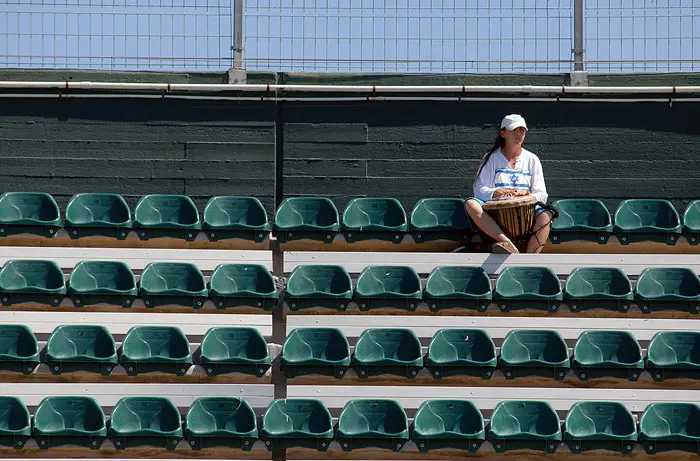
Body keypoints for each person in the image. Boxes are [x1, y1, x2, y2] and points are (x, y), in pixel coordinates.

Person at [466, 114, 553, 254]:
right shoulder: (491, 158)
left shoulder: (532, 159)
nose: (519, 134)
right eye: (514, 130)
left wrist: (525, 198)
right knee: (471, 204)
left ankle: (530, 259)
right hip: (497, 214)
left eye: (522, 130)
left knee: (546, 215)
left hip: (527, 214)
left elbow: (542, 194)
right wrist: (494, 192)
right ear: (503, 133)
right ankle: (506, 242)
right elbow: (479, 189)